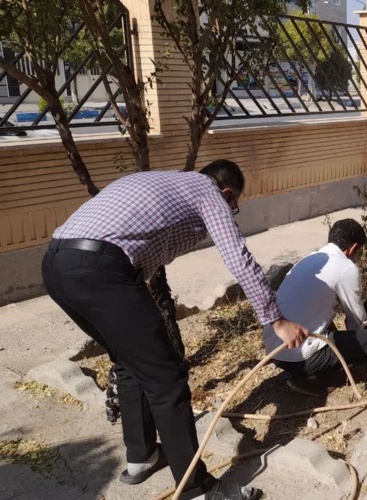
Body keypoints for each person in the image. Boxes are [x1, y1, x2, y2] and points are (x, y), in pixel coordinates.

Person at [42, 160, 308, 500]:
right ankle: (197, 490)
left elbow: (139, 244)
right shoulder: (207, 192)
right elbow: (238, 258)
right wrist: (277, 320)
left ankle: (142, 457)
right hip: (102, 271)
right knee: (167, 380)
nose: (230, 210)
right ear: (227, 192)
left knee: (128, 361)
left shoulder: (161, 181)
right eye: (234, 204)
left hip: (56, 265)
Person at [263, 219, 367, 395]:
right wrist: (361, 335)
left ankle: (308, 371)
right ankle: (311, 378)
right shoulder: (346, 268)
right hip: (299, 358)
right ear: (353, 248)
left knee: (323, 317)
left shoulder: (311, 258)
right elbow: (355, 319)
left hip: (275, 350)